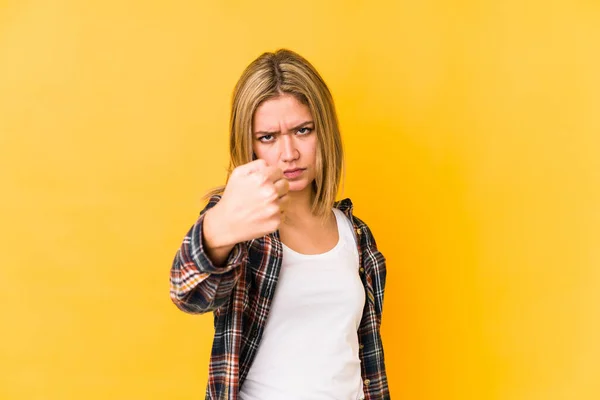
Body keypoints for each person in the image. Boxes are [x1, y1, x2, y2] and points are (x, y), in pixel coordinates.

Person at [170, 49, 389, 400]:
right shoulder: (241, 222)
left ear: (325, 132)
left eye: (303, 130)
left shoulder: (357, 235)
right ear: (250, 143)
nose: (289, 153)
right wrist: (219, 230)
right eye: (268, 137)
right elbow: (189, 293)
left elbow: (365, 359)